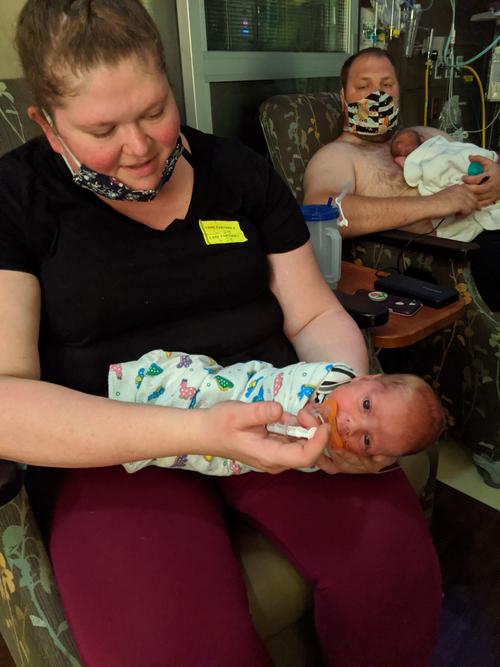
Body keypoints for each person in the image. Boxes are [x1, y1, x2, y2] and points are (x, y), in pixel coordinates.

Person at [0, 3, 441, 665]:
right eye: (102, 128)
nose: (141, 146)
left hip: (280, 406)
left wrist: (341, 395)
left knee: (392, 567)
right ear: (46, 123)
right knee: (180, 647)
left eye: (154, 110)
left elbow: (314, 314)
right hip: (116, 448)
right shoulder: (16, 198)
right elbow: (7, 399)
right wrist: (200, 431)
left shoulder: (238, 174)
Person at [303, 46, 500, 310]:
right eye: (363, 86)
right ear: (343, 98)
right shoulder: (338, 155)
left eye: (387, 84)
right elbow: (323, 209)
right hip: (463, 254)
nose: (377, 94)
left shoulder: (426, 135)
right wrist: (437, 203)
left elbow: (475, 159)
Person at [109, 349, 444, 475]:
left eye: (368, 440)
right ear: (367, 376)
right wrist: (308, 416)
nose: (349, 424)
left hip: (228, 450)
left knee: (178, 450)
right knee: (176, 389)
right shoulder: (333, 377)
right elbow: (295, 400)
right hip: (231, 390)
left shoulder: (334, 454)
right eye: (366, 405)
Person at [390, 128, 500, 241]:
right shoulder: (438, 143)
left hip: (470, 178)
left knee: (445, 172)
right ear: (421, 138)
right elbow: (462, 148)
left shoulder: (422, 156)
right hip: (476, 163)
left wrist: (407, 163)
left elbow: (412, 176)